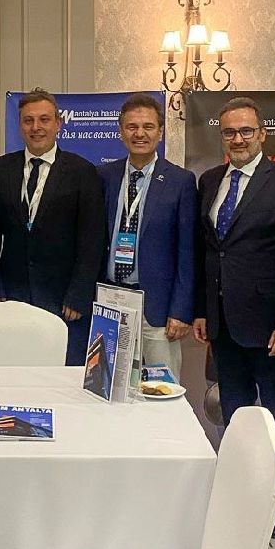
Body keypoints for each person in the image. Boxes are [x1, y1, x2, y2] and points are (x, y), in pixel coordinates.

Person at [193, 96, 275, 539]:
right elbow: (209, 253)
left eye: (246, 131)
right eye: (230, 132)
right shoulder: (210, 181)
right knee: (236, 414)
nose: (238, 138)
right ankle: (242, 492)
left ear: (262, 135)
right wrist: (202, 311)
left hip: (272, 329)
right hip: (224, 324)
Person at [0, 88, 106, 365]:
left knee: (61, 376)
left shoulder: (82, 171)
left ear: (58, 124)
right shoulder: (1, 169)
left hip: (63, 301)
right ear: (20, 125)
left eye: (44, 119)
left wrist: (78, 294)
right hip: (11, 299)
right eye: (28, 120)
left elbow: (92, 240)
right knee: (14, 372)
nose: (36, 127)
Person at [98, 92, 197, 378]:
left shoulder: (180, 181)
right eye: (132, 127)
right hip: (110, 301)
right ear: (121, 132)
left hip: (157, 308)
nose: (139, 134)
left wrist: (181, 310)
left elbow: (188, 252)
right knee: (108, 386)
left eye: (148, 127)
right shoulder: (103, 176)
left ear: (160, 132)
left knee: (161, 390)